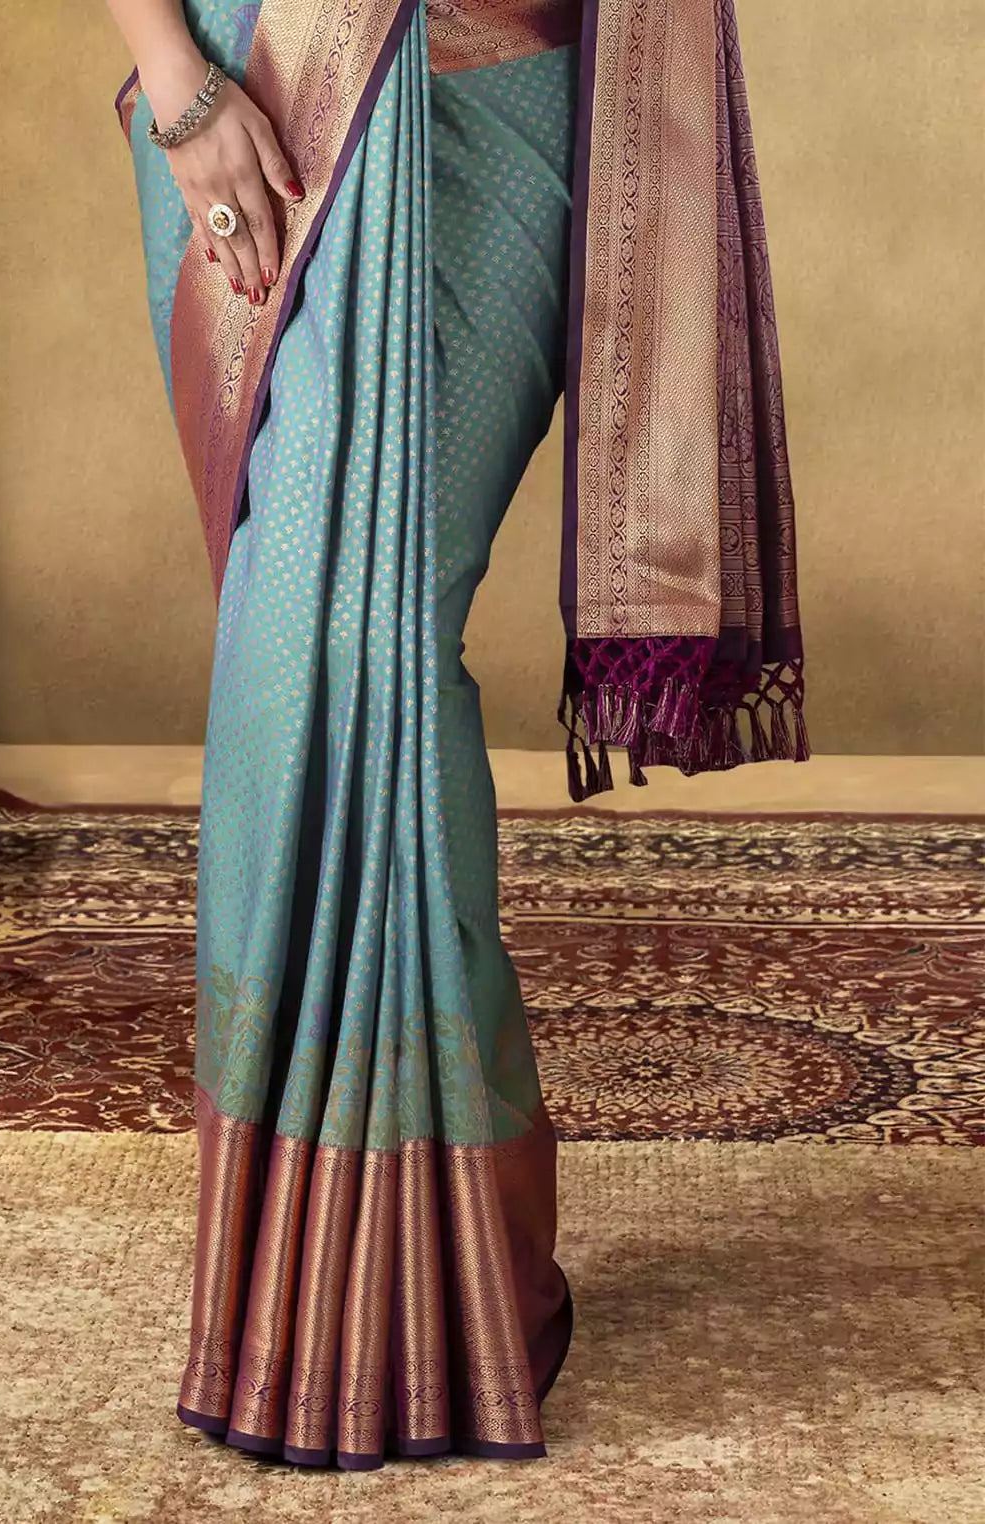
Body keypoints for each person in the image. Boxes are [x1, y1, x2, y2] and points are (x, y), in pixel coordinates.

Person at [103, 0, 807, 1470]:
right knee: (295, 653)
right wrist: (179, 84)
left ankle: (440, 1257)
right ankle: (323, 1273)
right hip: (261, 80)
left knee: (377, 642)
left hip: (507, 90)